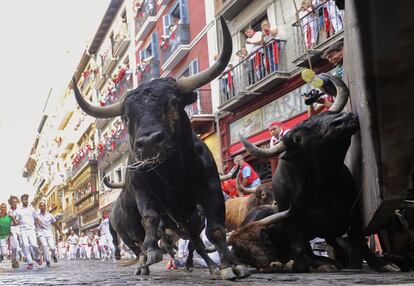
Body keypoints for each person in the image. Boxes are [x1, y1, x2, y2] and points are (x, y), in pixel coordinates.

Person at [14, 194, 42, 269]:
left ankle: (37, 257)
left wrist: (41, 227)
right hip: (23, 230)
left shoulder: (32, 209)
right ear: (22, 201)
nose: (26, 201)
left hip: (32, 230)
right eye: (24, 199)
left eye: (26, 199)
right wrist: (12, 217)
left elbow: (36, 219)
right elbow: (16, 222)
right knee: (25, 246)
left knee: (34, 245)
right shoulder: (18, 211)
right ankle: (30, 262)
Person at [36, 200, 58, 267]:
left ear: (45, 207)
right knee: (44, 246)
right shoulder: (36, 215)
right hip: (40, 234)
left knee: (52, 248)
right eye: (41, 206)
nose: (42, 207)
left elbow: (55, 223)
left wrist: (60, 231)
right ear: (39, 207)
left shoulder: (49, 215)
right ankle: (47, 261)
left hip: (49, 233)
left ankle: (54, 255)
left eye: (44, 206)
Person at [8, 195, 23, 268]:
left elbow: (17, 222)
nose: (15, 204)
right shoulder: (8, 211)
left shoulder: (19, 211)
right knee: (14, 246)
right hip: (11, 229)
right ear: (10, 203)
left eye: (16, 202)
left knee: (22, 244)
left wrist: (13, 217)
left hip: (19, 228)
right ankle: (15, 261)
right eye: (13, 202)